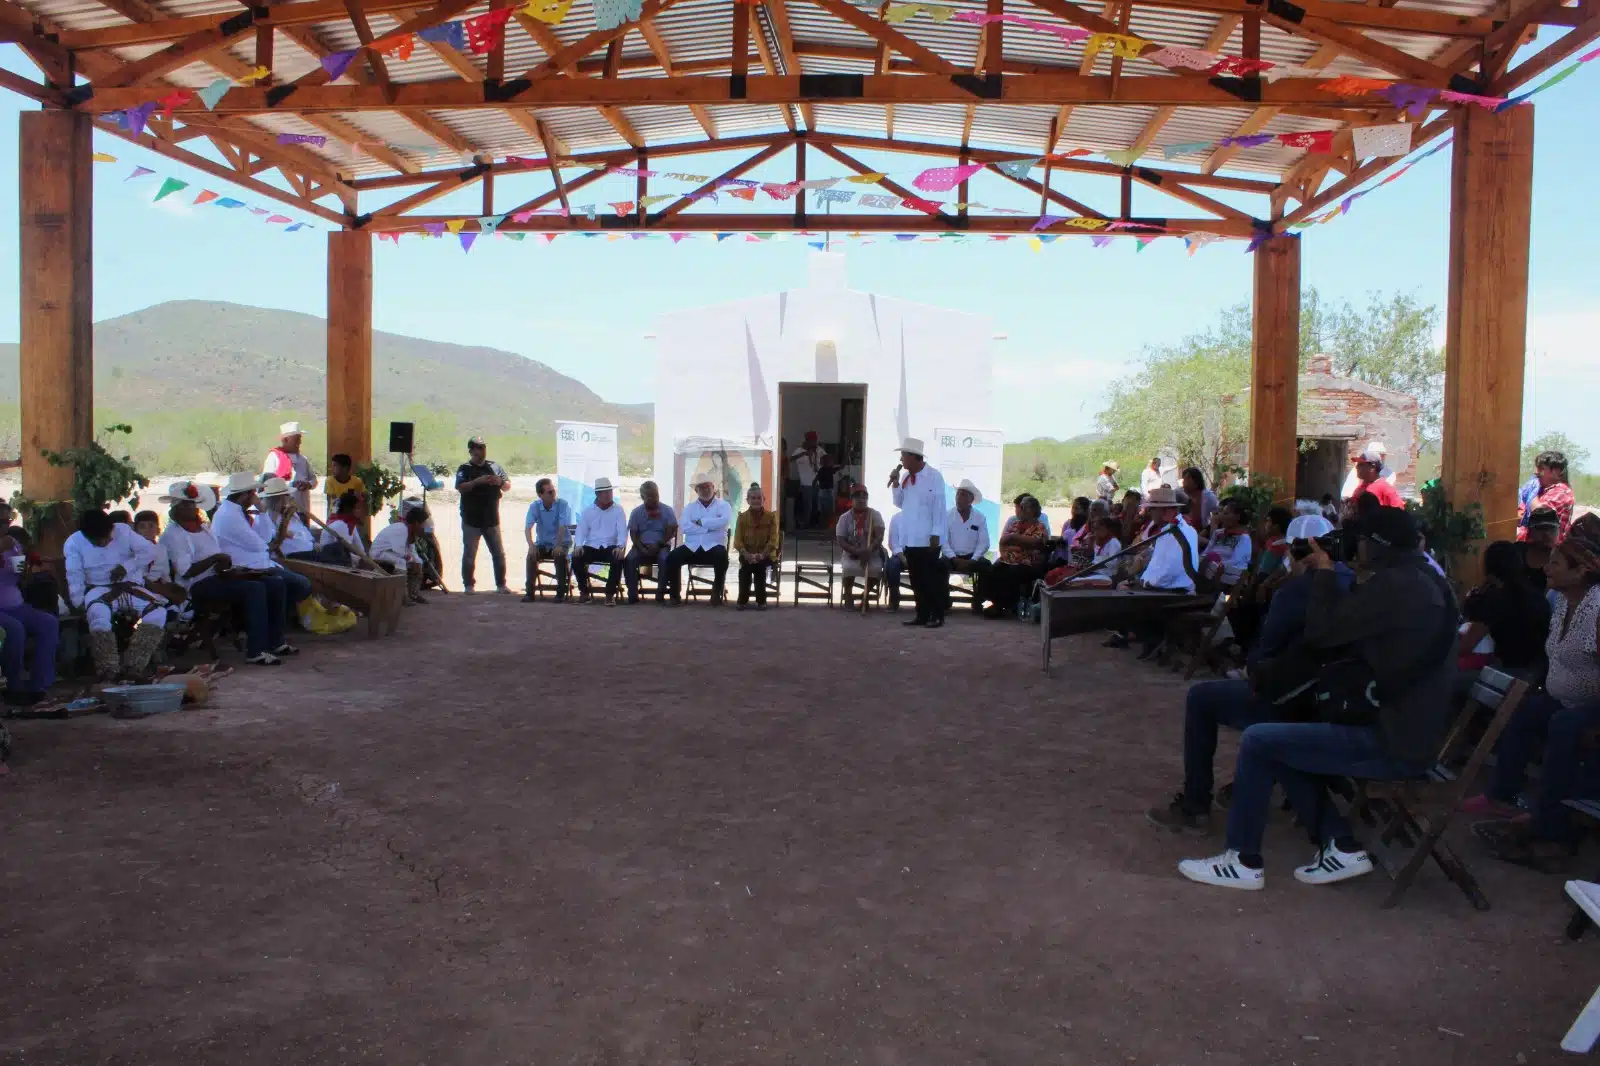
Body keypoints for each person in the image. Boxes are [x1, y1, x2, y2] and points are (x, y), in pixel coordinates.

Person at [1175, 507, 1458, 892]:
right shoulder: (1422, 580)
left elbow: (1322, 632)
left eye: (1358, 541)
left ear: (1375, 545)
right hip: (1404, 726)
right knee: (1283, 737)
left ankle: (1243, 859)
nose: (1352, 548)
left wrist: (1324, 571)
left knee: (1261, 740)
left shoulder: (1398, 588)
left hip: (1393, 740)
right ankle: (1339, 844)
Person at [1147, 514, 1357, 834]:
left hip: (1295, 699)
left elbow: (1264, 651)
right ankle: (1265, 778)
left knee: (1202, 698)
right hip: (1340, 698)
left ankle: (1195, 806)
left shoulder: (1295, 592)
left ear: (1294, 552)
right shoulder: (1355, 583)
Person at [1463, 524, 1600, 867]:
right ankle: (1502, 796)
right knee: (1522, 712)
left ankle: (1552, 827)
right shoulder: (1562, 603)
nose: (1546, 568)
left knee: (1563, 727)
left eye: (1556, 563)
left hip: (1590, 706)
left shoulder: (1597, 610)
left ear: (1581, 571)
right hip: (1563, 696)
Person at [161, 480, 295, 664]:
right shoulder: (174, 534)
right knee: (254, 589)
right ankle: (256, 650)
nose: (192, 507)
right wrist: (216, 559)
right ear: (176, 508)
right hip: (196, 587)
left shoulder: (202, 528)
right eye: (187, 504)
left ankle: (276, 641)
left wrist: (232, 568)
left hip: (215, 578)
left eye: (193, 503)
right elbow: (186, 572)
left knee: (275, 582)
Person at [65, 509, 170, 681]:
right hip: (98, 589)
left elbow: (150, 551)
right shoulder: (74, 543)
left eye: (105, 537)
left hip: (131, 585)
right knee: (98, 616)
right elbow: (74, 575)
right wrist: (79, 603)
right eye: (97, 540)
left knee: (158, 613)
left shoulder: (123, 530)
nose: (103, 542)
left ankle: (134, 665)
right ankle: (108, 669)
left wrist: (127, 566)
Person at [215, 472, 312, 625]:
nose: (255, 496)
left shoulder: (233, 511)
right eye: (253, 493)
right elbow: (263, 543)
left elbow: (264, 542)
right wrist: (262, 511)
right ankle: (270, 622)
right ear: (245, 495)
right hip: (246, 567)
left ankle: (274, 622)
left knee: (292, 583)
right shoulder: (231, 515)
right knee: (301, 584)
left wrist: (261, 513)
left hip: (256, 562)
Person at [1456, 541, 1550, 676]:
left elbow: (1465, 646)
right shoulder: (1537, 594)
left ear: (1488, 570)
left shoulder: (1495, 600)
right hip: (1538, 670)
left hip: (1507, 672)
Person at [889, 437, 948, 629]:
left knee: (931, 580)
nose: (901, 460)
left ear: (914, 457)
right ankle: (921, 614)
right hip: (911, 538)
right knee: (916, 580)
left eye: (903, 455)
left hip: (928, 537)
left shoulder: (934, 476)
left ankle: (937, 615)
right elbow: (899, 503)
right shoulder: (906, 477)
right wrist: (896, 483)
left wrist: (937, 533)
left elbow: (939, 507)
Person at [0, 516, 57, 705]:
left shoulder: (13, 544)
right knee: (15, 629)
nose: (5, 524)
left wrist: (26, 571)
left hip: (16, 604)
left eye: (6, 520)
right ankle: (14, 686)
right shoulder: (4, 544)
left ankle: (38, 686)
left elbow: (21, 578)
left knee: (48, 623)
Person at [455, 436, 511, 594]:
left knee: (498, 553)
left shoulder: (495, 466)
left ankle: (501, 584)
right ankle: (468, 585)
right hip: (471, 519)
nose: (482, 450)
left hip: (491, 518)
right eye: (478, 447)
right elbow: (460, 487)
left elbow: (507, 486)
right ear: (471, 450)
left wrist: (499, 482)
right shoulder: (464, 468)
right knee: (470, 553)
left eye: (483, 447)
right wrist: (476, 482)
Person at [668, 474, 733, 605]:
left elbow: (723, 521)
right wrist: (709, 528)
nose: (705, 490)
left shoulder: (724, 505)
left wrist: (700, 522)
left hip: (714, 546)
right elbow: (685, 526)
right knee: (673, 557)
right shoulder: (689, 508)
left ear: (713, 488)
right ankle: (675, 596)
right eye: (701, 487)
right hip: (692, 547)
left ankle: (716, 592)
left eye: (707, 486)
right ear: (696, 491)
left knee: (722, 557)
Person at [983, 494, 1048, 619]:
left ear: (1033, 511)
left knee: (1012, 572)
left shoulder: (1039, 527)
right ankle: (997, 604)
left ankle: (1005, 605)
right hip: (1009, 559)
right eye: (1020, 507)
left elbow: (1036, 542)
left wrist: (1013, 539)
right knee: (993, 569)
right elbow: (1003, 542)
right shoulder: (1015, 524)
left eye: (1024, 508)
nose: (1020, 510)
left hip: (1028, 562)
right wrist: (1018, 543)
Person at [622, 480, 677, 605]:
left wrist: (658, 545)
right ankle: (632, 594)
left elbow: (671, 532)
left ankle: (661, 592)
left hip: (662, 545)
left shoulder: (667, 510)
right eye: (650, 497)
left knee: (665, 559)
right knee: (629, 559)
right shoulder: (636, 512)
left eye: (656, 495)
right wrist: (642, 548)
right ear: (643, 497)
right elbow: (633, 534)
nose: (654, 499)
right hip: (641, 546)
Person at [573, 476, 627, 604]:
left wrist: (621, 546)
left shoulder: (618, 510)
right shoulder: (588, 511)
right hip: (592, 546)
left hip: (610, 546)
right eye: (606, 492)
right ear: (598, 494)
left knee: (618, 558)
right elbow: (581, 531)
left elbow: (622, 531)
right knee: (576, 558)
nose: (609, 495)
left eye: (610, 491)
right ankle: (584, 592)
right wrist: (579, 545)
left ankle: (609, 594)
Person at [943, 479, 991, 614]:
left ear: (971, 499)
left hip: (972, 556)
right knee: (938, 566)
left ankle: (978, 601)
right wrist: (953, 558)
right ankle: (944, 601)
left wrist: (974, 559)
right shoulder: (947, 516)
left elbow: (984, 542)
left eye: (963, 495)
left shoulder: (980, 517)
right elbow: (943, 541)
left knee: (987, 567)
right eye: (958, 494)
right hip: (951, 556)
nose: (959, 498)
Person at [523, 477, 572, 603]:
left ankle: (561, 592)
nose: (553, 494)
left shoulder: (562, 504)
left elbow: (562, 527)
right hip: (543, 543)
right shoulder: (534, 506)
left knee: (559, 555)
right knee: (531, 556)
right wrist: (531, 545)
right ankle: (530, 592)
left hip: (561, 542)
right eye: (549, 492)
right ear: (540, 495)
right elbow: (528, 528)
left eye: (553, 490)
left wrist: (559, 545)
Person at [733, 483, 781, 610]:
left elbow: (774, 540)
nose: (756, 500)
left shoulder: (771, 517)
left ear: (763, 500)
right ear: (748, 500)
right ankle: (742, 600)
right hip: (746, 553)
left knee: (760, 567)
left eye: (759, 498)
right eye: (753, 498)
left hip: (765, 554)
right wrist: (747, 554)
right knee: (745, 569)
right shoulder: (742, 517)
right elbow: (737, 541)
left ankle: (761, 601)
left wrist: (762, 555)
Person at [836, 485, 886, 608]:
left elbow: (880, 536)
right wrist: (857, 552)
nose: (862, 500)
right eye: (858, 497)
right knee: (847, 568)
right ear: (852, 499)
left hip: (871, 553)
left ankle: (866, 595)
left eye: (864, 497)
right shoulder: (845, 518)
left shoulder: (875, 515)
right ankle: (848, 594)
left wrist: (868, 551)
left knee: (876, 569)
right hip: (851, 553)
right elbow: (841, 540)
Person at [371, 507, 430, 606]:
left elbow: (412, 551)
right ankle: (402, 597)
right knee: (401, 562)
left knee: (418, 562)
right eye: (423, 523)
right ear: (416, 523)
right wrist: (411, 560)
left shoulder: (410, 531)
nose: (424, 526)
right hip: (379, 553)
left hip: (391, 553)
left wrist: (417, 562)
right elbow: (399, 551)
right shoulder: (401, 529)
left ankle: (414, 594)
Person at [1517, 450, 1576, 543]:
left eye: (1541, 469)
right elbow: (1521, 515)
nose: (1536, 473)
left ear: (1556, 471)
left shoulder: (1561, 492)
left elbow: (1540, 514)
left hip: (1546, 550)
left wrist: (1531, 494)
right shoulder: (1542, 490)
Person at [256, 477, 319, 561]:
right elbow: (272, 539)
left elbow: (302, 530)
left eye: (287, 495)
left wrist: (313, 543)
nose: (287, 498)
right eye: (285, 495)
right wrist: (311, 546)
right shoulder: (265, 517)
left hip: (309, 548)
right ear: (275, 498)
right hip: (293, 556)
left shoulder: (288, 511)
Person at [263, 421, 318, 513]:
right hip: (282, 512)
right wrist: (290, 486)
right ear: (285, 440)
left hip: (302, 510)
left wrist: (308, 485)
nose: (300, 442)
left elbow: (314, 479)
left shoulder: (303, 460)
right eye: (296, 439)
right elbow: (267, 483)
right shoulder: (274, 458)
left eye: (300, 439)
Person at [1201, 498, 1254, 588]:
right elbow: (1207, 551)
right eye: (1222, 513)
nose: (1222, 517)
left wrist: (1218, 563)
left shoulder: (1244, 538)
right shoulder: (1218, 533)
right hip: (1211, 569)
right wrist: (1204, 558)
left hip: (1230, 577)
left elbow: (1236, 560)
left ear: (1237, 517)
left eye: (1226, 514)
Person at [1346, 445, 1403, 509]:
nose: (1356, 467)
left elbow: (1399, 512)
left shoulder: (1385, 488)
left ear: (1372, 467)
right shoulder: (1360, 488)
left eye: (1361, 464)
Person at [789, 431, 827, 529]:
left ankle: (814, 525)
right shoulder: (799, 450)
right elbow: (791, 459)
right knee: (808, 506)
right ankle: (806, 526)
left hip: (817, 483)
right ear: (807, 441)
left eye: (815, 441)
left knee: (816, 506)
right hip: (806, 484)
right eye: (813, 441)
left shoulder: (819, 450)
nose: (814, 443)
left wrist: (818, 457)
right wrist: (804, 453)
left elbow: (827, 459)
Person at [319, 491, 366, 564]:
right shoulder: (341, 525)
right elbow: (344, 553)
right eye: (358, 508)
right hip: (332, 564)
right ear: (348, 509)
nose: (363, 512)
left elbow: (361, 550)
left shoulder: (349, 523)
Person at [1523, 507, 1560, 589]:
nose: (1547, 534)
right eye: (1541, 529)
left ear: (1558, 531)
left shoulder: (1564, 557)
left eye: (1552, 529)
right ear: (1530, 531)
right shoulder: (1518, 551)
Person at [1180, 468, 1220, 532]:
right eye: (1183, 479)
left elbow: (1218, 519)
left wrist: (1205, 534)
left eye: (1187, 479)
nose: (1183, 483)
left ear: (1196, 482)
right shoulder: (1186, 500)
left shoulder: (1209, 497)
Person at [883, 510, 907, 610]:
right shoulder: (896, 518)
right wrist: (903, 558)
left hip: (919, 553)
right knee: (892, 564)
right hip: (900, 553)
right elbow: (892, 543)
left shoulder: (924, 517)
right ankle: (894, 596)